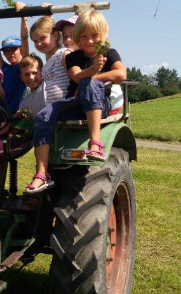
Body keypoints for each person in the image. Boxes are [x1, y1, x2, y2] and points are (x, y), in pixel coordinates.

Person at [25, 10, 127, 194]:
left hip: (99, 104)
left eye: (94, 35)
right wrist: (93, 69)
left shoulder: (109, 53)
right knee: (43, 115)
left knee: (90, 84)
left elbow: (121, 74)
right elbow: (77, 76)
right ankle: (42, 173)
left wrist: (95, 76)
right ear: (77, 37)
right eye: (84, 36)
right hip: (74, 103)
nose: (89, 41)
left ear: (103, 34)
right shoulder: (73, 57)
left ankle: (95, 143)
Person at [0, 3, 29, 115]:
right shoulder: (3, 67)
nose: (10, 53)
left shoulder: (24, 65)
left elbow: (24, 38)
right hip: (0, 113)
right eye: (7, 51)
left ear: (21, 49)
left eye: (13, 49)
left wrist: (24, 16)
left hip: (17, 114)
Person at [30, 16, 71, 105]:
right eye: (35, 41)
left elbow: (74, 78)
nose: (39, 43)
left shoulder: (63, 54)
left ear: (55, 35)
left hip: (67, 105)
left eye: (43, 38)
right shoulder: (46, 65)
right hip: (53, 108)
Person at [16, 54, 46, 119]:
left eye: (34, 73)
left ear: (42, 72)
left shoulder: (46, 85)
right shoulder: (23, 103)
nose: (31, 77)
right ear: (21, 77)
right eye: (26, 74)